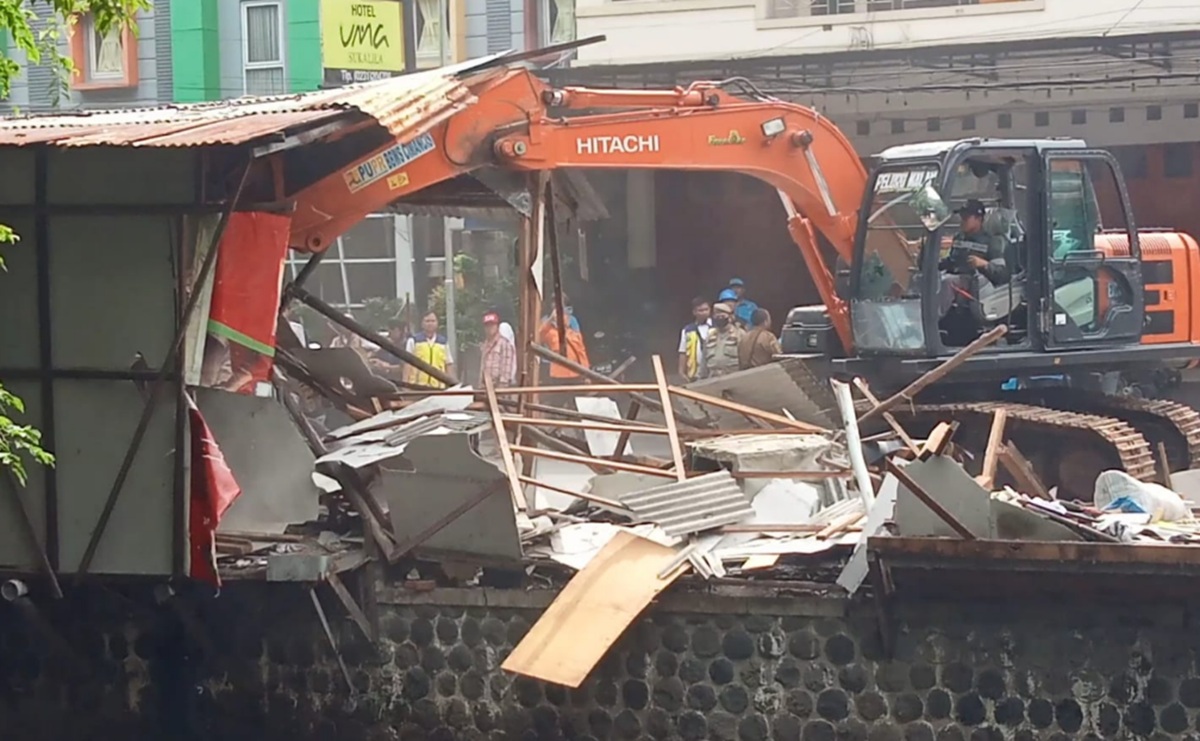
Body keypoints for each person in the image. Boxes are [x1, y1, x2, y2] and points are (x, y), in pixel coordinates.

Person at [538, 292, 590, 406]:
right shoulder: (549, 330)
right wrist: (551, 319)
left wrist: (586, 374)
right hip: (557, 374)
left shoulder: (573, 329)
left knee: (576, 405)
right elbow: (538, 336)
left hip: (575, 373)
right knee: (557, 405)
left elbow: (581, 352)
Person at [943, 199, 1010, 286]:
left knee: (947, 282)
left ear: (979, 219)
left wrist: (984, 264)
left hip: (975, 289)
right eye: (961, 217)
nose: (962, 221)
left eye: (966, 217)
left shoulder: (991, 242)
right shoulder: (959, 238)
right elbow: (951, 262)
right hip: (955, 281)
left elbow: (1003, 275)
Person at [404, 312, 455, 389]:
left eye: (433, 321)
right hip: (417, 387)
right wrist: (405, 385)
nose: (430, 323)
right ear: (422, 323)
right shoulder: (413, 341)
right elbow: (407, 364)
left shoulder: (443, 342)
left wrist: (451, 385)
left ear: (437, 323)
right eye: (427, 321)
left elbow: (448, 364)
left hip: (439, 388)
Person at [703, 301, 745, 378]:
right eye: (717, 317)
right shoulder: (710, 336)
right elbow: (703, 363)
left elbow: (745, 359)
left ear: (730, 317)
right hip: (712, 379)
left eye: (722, 316)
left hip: (733, 377)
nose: (719, 319)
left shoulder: (740, 334)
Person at [678, 296, 712, 382]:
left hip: (714, 371)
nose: (704, 312)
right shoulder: (687, 330)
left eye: (706, 309)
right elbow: (683, 352)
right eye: (700, 310)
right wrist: (681, 372)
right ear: (694, 312)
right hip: (695, 374)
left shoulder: (716, 326)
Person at [479, 311, 517, 388]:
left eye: (492, 325)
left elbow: (506, 368)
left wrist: (502, 386)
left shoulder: (504, 343)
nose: (489, 328)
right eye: (487, 326)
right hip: (485, 386)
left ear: (497, 326)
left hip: (498, 387)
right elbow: (482, 366)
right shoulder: (485, 344)